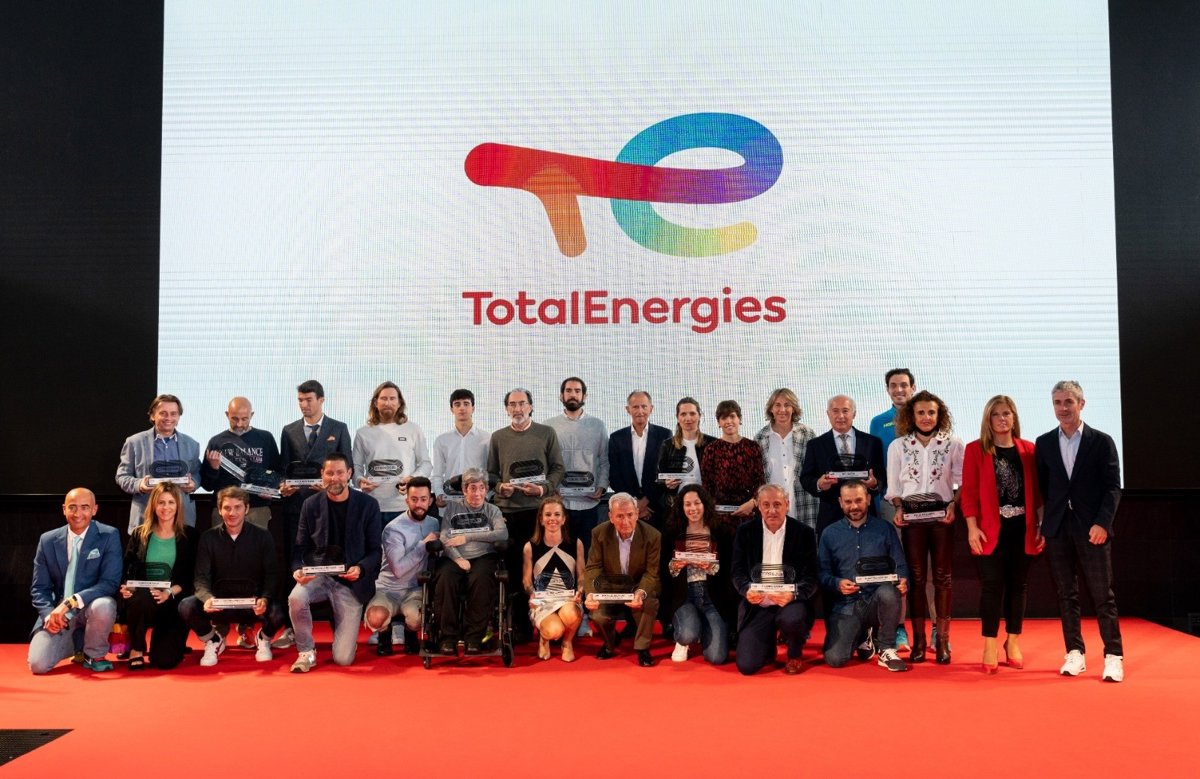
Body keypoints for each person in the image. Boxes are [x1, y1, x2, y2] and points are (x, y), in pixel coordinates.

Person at [1035, 380, 1125, 682]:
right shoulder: (1044, 443)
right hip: (1058, 528)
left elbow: (1113, 488)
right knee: (1066, 594)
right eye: (1057, 402)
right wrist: (1045, 525)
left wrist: (1103, 523)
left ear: (1081, 404)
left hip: (1093, 528)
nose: (1063, 408)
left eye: (1068, 402)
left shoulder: (1102, 441)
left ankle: (1113, 656)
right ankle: (1074, 652)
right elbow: (1044, 487)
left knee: (1103, 595)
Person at [960, 395, 1043, 674]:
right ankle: (990, 644)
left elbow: (1038, 493)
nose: (1002, 418)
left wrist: (1040, 525)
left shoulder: (1029, 450)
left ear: (1014, 417)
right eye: (996, 414)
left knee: (1019, 585)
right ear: (988, 419)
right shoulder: (975, 450)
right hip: (988, 531)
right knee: (992, 585)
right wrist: (972, 528)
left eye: (1006, 413)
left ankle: (1013, 640)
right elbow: (969, 494)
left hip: (1023, 528)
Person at [885, 390, 964, 664]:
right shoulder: (898, 446)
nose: (926, 417)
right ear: (912, 415)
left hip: (942, 520)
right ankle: (918, 642)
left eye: (931, 412)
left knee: (943, 578)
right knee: (916, 579)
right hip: (913, 522)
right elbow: (894, 487)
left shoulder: (953, 444)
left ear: (939, 415)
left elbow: (961, 481)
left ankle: (942, 641)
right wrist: (898, 508)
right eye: (921, 412)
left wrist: (953, 505)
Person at [276, 379, 353, 649]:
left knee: (333, 561)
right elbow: (284, 469)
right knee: (295, 565)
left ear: (321, 400)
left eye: (309, 400)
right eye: (300, 400)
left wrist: (330, 485)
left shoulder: (338, 428)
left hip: (329, 508)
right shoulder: (289, 430)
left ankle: (339, 626)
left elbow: (349, 467)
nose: (304, 405)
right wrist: (283, 486)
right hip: (295, 508)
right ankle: (291, 628)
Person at [288, 452, 382, 672]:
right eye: (329, 473)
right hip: (319, 576)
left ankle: (344, 641)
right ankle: (306, 651)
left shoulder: (368, 504)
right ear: (322, 474)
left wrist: (361, 569)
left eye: (340, 473)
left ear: (349, 474)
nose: (334, 478)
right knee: (295, 598)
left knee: (343, 659)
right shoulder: (310, 505)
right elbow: (299, 548)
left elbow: (375, 551)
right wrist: (297, 570)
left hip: (350, 582)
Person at [179, 487, 287, 667]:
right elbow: (200, 578)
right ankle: (213, 640)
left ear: (247, 508)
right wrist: (207, 598)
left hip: (253, 604)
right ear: (219, 510)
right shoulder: (208, 538)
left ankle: (263, 638)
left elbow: (272, 575)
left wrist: (265, 598)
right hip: (219, 604)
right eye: (227, 508)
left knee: (280, 611)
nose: (232, 513)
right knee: (186, 606)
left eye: (237, 507)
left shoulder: (263, 536)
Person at [488, 387, 564, 640]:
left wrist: (542, 489)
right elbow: (491, 474)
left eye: (522, 403)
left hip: (538, 513)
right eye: (512, 404)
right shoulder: (498, 437)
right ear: (506, 409)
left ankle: (550, 622)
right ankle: (519, 625)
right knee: (514, 570)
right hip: (508, 513)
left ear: (531, 406)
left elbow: (558, 469)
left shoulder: (546, 433)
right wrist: (501, 487)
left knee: (542, 568)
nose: (517, 408)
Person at [819, 481, 909, 672]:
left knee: (889, 592)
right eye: (848, 502)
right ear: (840, 502)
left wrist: (902, 579)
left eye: (859, 500)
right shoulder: (829, 534)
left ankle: (886, 648)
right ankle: (862, 635)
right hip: (847, 605)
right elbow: (822, 574)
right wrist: (837, 583)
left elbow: (900, 565)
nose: (854, 506)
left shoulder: (885, 529)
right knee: (835, 659)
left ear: (868, 499)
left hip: (878, 600)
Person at [29, 487, 121, 674]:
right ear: (64, 509)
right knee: (38, 665)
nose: (78, 513)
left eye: (84, 507)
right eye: (72, 507)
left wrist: (71, 602)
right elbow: (39, 588)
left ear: (94, 509)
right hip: (59, 614)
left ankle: (93, 654)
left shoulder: (109, 535)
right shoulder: (47, 540)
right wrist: (49, 615)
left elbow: (109, 583)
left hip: (90, 607)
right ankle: (78, 643)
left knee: (104, 605)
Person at [730, 484, 818, 675]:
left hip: (790, 602)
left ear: (787, 504)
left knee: (792, 619)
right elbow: (737, 572)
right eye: (766, 505)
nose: (772, 510)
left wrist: (793, 594)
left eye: (777, 504)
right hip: (758, 603)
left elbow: (811, 577)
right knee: (747, 666)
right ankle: (767, 646)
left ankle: (794, 653)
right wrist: (746, 590)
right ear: (758, 506)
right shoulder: (745, 531)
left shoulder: (804, 533)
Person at [118, 482, 196, 670]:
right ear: (153, 505)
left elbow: (191, 576)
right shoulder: (140, 534)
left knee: (164, 661)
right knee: (140, 597)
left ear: (178, 506)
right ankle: (136, 647)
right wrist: (126, 586)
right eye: (161, 502)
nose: (166, 507)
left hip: (174, 600)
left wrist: (169, 592)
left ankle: (166, 641)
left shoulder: (190, 536)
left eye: (171, 502)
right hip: (144, 598)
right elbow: (127, 568)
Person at [433, 468, 509, 654]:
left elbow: (502, 533)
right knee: (445, 579)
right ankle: (448, 638)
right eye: (472, 488)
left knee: (481, 579)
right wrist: (458, 558)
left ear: (487, 489)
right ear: (464, 490)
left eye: (481, 488)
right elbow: (444, 537)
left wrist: (467, 537)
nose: (477, 493)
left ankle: (473, 638)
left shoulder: (492, 510)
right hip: (454, 557)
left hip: (483, 556)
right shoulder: (452, 508)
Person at [584, 493, 661, 667]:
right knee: (597, 614)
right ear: (610, 517)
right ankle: (610, 642)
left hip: (638, 584)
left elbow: (651, 573)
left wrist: (640, 592)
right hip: (610, 585)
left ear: (637, 514)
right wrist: (591, 594)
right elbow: (593, 567)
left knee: (649, 602)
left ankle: (642, 648)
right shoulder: (599, 533)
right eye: (619, 516)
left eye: (630, 515)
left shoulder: (653, 535)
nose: (626, 521)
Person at [365, 476, 440, 656]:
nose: (419, 504)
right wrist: (423, 545)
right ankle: (384, 634)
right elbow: (398, 570)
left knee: (419, 618)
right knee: (376, 618)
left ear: (430, 501)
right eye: (414, 499)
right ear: (406, 501)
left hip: (414, 590)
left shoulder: (434, 523)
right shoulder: (393, 528)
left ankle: (410, 633)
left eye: (423, 499)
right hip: (387, 589)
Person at [799, 395, 886, 536]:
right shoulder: (815, 445)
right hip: (830, 519)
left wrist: (874, 483)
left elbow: (882, 477)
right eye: (835, 411)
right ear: (828, 414)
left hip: (866, 517)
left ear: (854, 414)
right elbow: (806, 478)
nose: (840, 416)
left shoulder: (872, 442)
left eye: (845, 411)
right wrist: (819, 484)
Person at [665, 485, 731, 665]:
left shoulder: (720, 531)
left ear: (705, 504)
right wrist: (676, 565)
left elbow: (729, 569)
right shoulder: (673, 531)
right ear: (681, 507)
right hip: (685, 595)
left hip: (712, 596)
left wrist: (711, 567)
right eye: (687, 504)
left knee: (717, 657)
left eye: (697, 503)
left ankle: (702, 624)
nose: (692, 508)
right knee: (687, 634)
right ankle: (683, 639)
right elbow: (664, 570)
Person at [116, 393, 202, 532]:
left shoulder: (191, 444)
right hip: (145, 516)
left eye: (173, 414)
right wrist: (139, 485)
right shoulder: (134, 442)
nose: (168, 418)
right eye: (163, 413)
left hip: (181, 518)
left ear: (179, 417)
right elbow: (122, 476)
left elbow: (197, 473)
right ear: (152, 415)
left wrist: (194, 484)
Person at [352, 381, 432, 522]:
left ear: (399, 402)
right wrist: (360, 481)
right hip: (372, 506)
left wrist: (412, 479)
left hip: (404, 506)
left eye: (392, 398)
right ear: (375, 403)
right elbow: (355, 468)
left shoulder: (413, 429)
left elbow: (426, 464)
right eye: (383, 398)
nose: (388, 402)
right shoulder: (362, 433)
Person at [544, 377, 609, 547]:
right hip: (560, 503)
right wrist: (551, 488)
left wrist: (602, 486)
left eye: (577, 391)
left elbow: (604, 459)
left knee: (587, 552)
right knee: (562, 552)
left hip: (589, 503)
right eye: (568, 391)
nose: (573, 394)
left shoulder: (598, 425)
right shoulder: (549, 426)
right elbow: (545, 463)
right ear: (561, 396)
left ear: (584, 396)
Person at [200, 396, 280, 530]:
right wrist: (213, 469)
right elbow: (207, 486)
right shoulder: (216, 442)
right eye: (234, 419)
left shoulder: (266, 438)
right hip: (225, 509)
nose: (239, 424)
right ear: (227, 415)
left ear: (252, 415)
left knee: (256, 544)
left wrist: (271, 489)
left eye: (244, 419)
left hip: (257, 509)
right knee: (220, 544)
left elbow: (277, 472)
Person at [522, 496, 585, 662]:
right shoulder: (530, 547)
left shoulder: (576, 543)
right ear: (541, 519)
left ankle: (567, 642)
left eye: (557, 514)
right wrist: (531, 594)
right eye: (548, 515)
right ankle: (544, 639)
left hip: (568, 599)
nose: (552, 519)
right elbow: (527, 580)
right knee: (554, 630)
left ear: (563, 519)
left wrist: (580, 591)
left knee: (572, 614)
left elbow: (582, 576)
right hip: (543, 601)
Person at [753, 388, 820, 531]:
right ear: (771, 409)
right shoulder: (760, 438)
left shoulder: (807, 434)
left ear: (793, 408)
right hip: (772, 510)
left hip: (804, 505)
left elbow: (815, 471)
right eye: (777, 405)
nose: (782, 410)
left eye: (787, 405)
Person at [608, 390, 672, 535]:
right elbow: (614, 476)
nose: (640, 411)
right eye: (635, 407)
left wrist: (645, 502)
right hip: (626, 509)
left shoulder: (664, 435)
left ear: (651, 408)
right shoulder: (616, 438)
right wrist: (634, 504)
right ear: (628, 409)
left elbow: (665, 473)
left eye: (644, 406)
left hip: (656, 507)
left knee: (657, 547)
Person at [700, 400, 765, 524]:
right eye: (724, 418)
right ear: (719, 422)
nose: (728, 421)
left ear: (739, 419)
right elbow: (707, 485)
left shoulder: (752, 447)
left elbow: (760, 481)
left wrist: (753, 503)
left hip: (749, 511)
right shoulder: (711, 449)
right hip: (720, 515)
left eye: (732, 416)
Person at [431, 388, 490, 507]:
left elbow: (491, 472)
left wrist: (487, 496)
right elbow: (437, 474)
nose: (462, 408)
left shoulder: (487, 438)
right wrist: (439, 494)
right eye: (457, 404)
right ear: (452, 409)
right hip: (450, 503)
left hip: (478, 502)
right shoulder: (441, 440)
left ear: (473, 408)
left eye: (466, 404)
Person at [657, 396, 716, 510]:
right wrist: (666, 483)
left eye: (692, 413)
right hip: (676, 506)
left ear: (699, 416)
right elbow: (658, 477)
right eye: (683, 414)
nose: (688, 418)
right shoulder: (667, 445)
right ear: (677, 418)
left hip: (705, 505)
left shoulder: (712, 443)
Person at [869, 369, 916, 466]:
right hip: (890, 475)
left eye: (904, 385)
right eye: (893, 386)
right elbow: (875, 459)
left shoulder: (925, 418)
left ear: (913, 388)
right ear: (888, 390)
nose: (898, 390)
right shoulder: (878, 422)